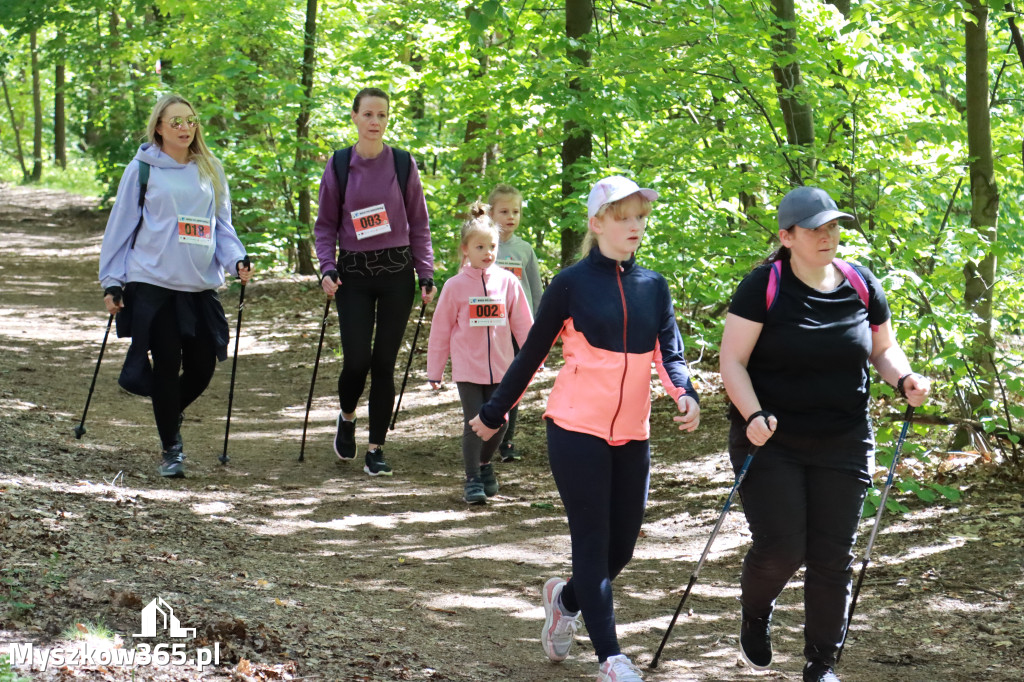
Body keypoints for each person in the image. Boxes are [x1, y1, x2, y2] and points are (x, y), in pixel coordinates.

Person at [470, 176, 701, 682]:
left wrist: (684, 394)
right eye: (624, 217)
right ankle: (611, 658)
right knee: (592, 543)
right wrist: (495, 411)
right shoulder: (571, 283)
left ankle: (565, 599)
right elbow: (531, 353)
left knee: (621, 549)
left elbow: (670, 354)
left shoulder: (654, 287)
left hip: (632, 435)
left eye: (640, 216)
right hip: (575, 429)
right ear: (598, 224)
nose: (635, 225)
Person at [718, 186, 931, 682]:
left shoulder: (859, 282)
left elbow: (883, 348)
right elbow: (733, 361)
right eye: (815, 228)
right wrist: (752, 416)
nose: (827, 235)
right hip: (771, 438)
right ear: (786, 237)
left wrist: (904, 378)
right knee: (782, 549)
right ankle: (755, 611)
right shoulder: (763, 286)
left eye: (834, 226)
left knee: (833, 554)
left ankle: (821, 664)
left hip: (844, 437)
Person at [98, 93, 252, 479]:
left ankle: (169, 410)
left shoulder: (210, 168)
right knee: (167, 364)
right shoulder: (143, 168)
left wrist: (236, 260)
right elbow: (121, 227)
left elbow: (223, 227)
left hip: (199, 286)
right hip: (153, 282)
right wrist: (112, 281)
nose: (185, 128)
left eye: (191, 120)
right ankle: (172, 449)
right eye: (176, 121)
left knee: (202, 366)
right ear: (159, 128)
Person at [314, 87, 435, 477]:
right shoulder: (339, 164)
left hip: (398, 273)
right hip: (354, 275)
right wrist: (327, 267)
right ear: (354, 117)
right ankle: (347, 416)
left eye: (381, 115)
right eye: (368, 114)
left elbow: (419, 223)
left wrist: (426, 272)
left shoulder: (402, 163)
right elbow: (325, 227)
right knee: (357, 361)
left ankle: (376, 448)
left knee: (384, 363)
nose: (375, 122)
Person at [426, 203, 533, 503]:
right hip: (467, 370)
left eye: (493, 246)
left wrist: (532, 360)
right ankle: (472, 478)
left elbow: (524, 325)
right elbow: (441, 331)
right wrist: (435, 371)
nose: (488, 252)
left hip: (503, 368)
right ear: (465, 250)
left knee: (501, 421)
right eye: (480, 246)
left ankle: (485, 464)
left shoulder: (508, 283)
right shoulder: (454, 287)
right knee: (475, 421)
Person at [488, 183, 544, 463]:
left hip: (517, 329)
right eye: (504, 211)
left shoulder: (525, 250)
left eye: (516, 211)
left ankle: (507, 441)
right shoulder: (483, 246)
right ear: (490, 213)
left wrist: (538, 329)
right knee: (489, 382)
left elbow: (535, 290)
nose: (511, 216)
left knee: (514, 381)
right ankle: (485, 430)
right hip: (486, 329)